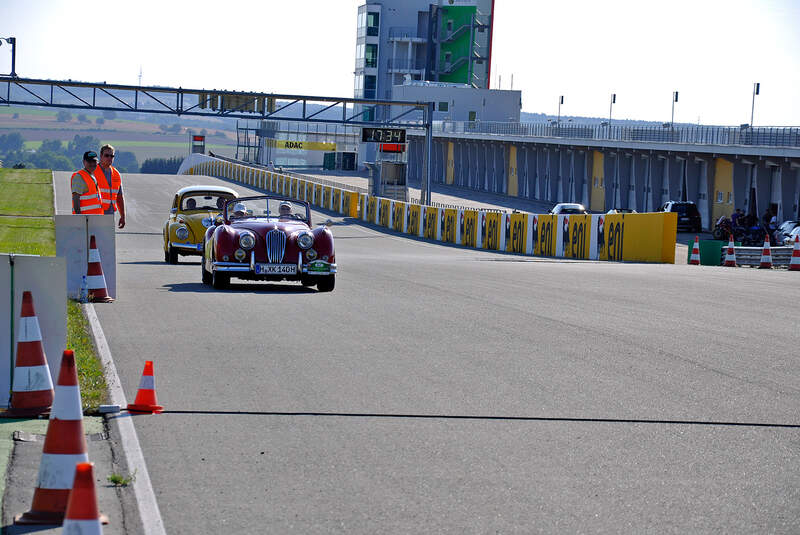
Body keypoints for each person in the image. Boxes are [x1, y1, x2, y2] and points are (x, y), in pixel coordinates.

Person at [93, 144, 126, 229]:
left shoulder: (116, 174)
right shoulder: (93, 172)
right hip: (95, 214)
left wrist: (123, 216)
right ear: (101, 156)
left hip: (110, 215)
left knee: (107, 241)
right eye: (106, 155)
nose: (109, 158)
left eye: (112, 156)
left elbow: (119, 197)